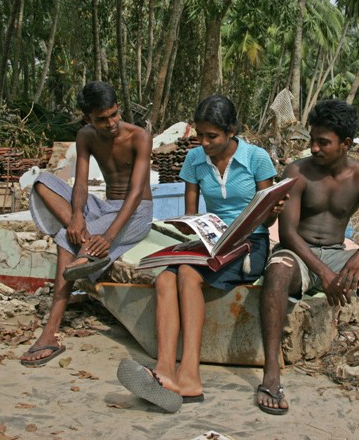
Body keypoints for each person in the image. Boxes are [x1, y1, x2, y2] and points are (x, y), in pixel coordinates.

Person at [117, 94, 283, 412]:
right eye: (200, 136)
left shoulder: (257, 157)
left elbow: (268, 215)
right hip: (213, 244)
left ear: (232, 130)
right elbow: (190, 216)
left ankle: (190, 376)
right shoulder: (193, 159)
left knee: (189, 274)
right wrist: (188, 227)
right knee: (165, 280)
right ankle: (165, 370)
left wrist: (273, 210)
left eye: (213, 136)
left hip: (251, 246)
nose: (205, 143)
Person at [257, 99, 359, 415]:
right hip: (298, 254)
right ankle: (271, 375)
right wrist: (324, 274)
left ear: (345, 144)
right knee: (277, 270)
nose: (314, 149)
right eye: (312, 141)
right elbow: (288, 232)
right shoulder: (298, 172)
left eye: (323, 143)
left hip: (336, 255)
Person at [20, 81, 153, 366]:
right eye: (101, 119)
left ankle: (51, 332)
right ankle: (85, 246)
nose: (111, 123)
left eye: (114, 114)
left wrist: (108, 235)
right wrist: (78, 215)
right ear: (88, 119)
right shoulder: (85, 136)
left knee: (64, 242)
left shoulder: (139, 136)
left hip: (137, 212)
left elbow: (135, 193)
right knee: (42, 182)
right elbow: (80, 183)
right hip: (102, 208)